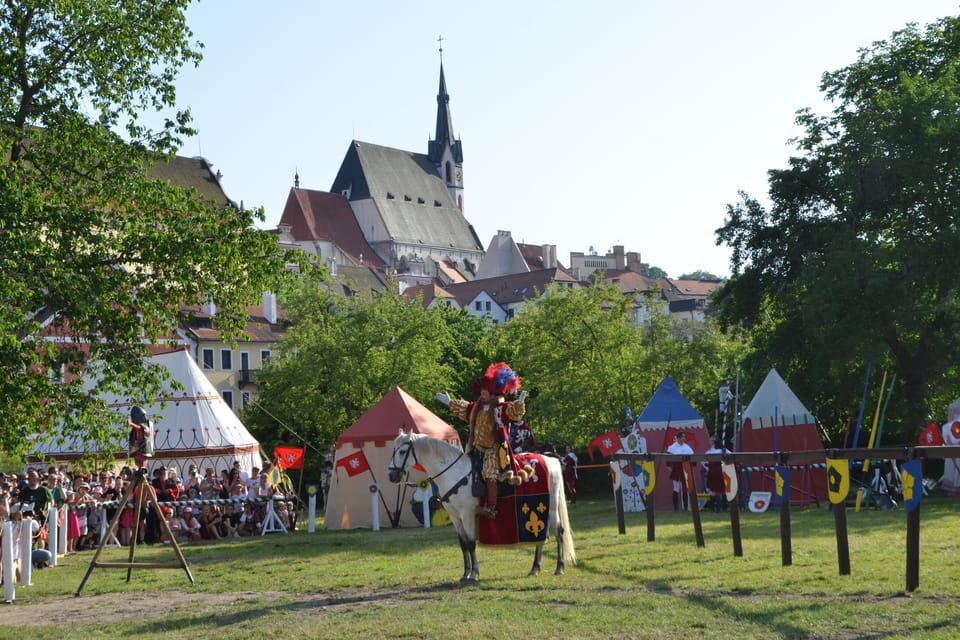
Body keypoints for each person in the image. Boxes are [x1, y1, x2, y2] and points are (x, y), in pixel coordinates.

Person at [436, 362, 530, 519]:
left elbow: (513, 412)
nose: (482, 394)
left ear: (493, 394)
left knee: (489, 474)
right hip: (475, 448)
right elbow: (464, 408)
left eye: (485, 392)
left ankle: (491, 507)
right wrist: (449, 402)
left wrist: (519, 405)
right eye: (482, 391)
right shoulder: (476, 408)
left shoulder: (501, 409)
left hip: (493, 451)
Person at [667, 430, 694, 512]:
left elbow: (692, 460)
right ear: (678, 438)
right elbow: (668, 462)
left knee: (685, 489)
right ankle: (675, 508)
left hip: (685, 470)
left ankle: (685, 508)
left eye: (684, 437)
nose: (684, 438)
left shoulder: (687, 447)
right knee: (676, 489)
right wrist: (671, 469)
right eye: (682, 437)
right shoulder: (672, 448)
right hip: (676, 470)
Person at [703, 435, 726, 512]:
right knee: (714, 490)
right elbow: (703, 461)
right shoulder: (710, 451)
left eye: (712, 440)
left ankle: (719, 508)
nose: (710, 442)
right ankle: (714, 508)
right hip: (713, 473)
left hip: (719, 473)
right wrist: (708, 468)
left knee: (718, 490)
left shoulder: (721, 451)